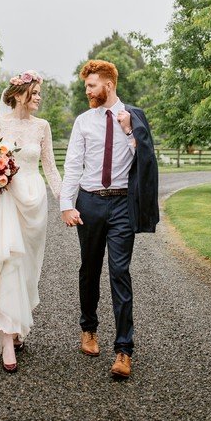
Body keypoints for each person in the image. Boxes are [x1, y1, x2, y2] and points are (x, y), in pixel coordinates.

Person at [60, 59, 159, 379]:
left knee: (120, 272)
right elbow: (73, 164)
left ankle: (123, 350)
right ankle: (88, 330)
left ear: (109, 85)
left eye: (92, 85)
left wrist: (130, 130)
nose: (87, 91)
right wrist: (66, 204)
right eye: (86, 85)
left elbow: (145, 160)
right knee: (89, 269)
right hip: (89, 204)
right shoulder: (83, 121)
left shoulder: (133, 118)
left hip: (121, 206)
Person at [0, 70, 62, 373]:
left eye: (40, 93)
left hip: (34, 202)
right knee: (7, 263)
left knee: (27, 268)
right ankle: (6, 338)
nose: (40, 98)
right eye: (36, 92)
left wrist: (67, 203)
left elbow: (51, 169)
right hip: (4, 200)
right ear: (19, 95)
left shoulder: (43, 127)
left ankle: (15, 325)